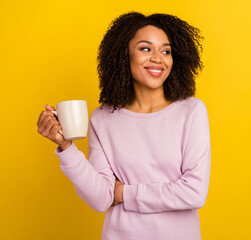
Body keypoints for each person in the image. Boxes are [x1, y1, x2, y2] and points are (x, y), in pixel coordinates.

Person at [37, 12, 211, 240]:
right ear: (124, 54)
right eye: (145, 48)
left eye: (166, 50)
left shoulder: (192, 111)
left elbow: (194, 193)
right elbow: (101, 199)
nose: (158, 58)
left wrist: (125, 193)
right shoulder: (102, 118)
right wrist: (66, 147)